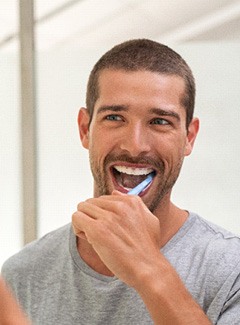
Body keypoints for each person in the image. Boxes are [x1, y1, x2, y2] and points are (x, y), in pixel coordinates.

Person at [1, 39, 240, 324]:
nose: (135, 146)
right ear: (84, 129)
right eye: (115, 117)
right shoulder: (22, 274)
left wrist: (148, 268)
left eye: (160, 121)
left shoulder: (232, 271)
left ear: (189, 136)